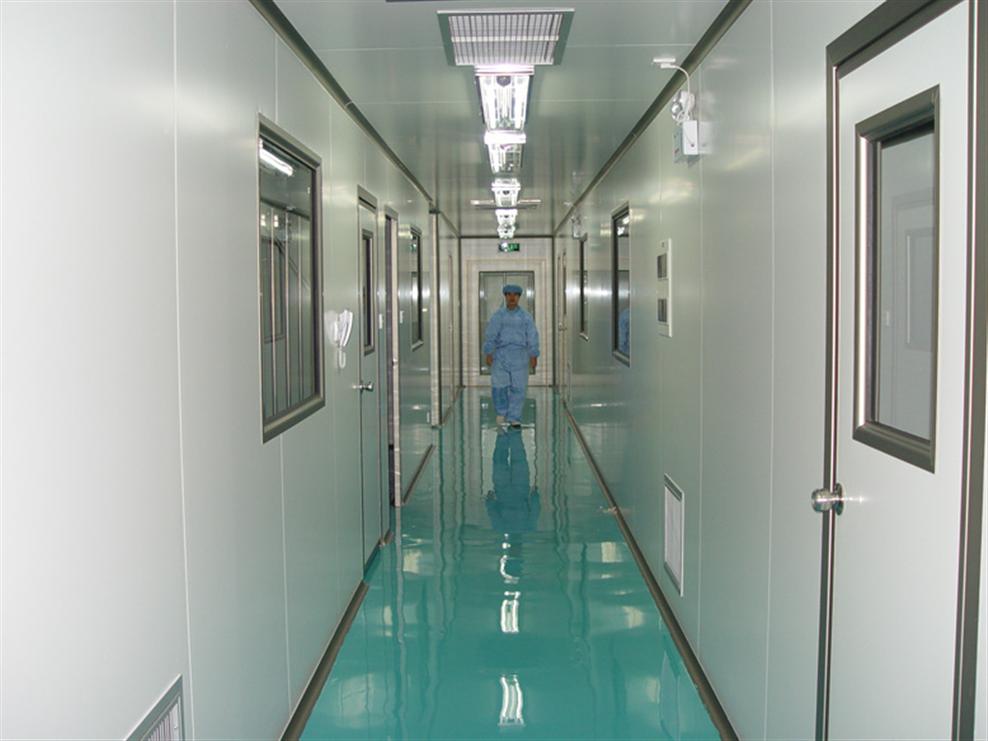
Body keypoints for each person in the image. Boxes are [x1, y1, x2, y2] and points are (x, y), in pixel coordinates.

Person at [483, 284, 539, 428]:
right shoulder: (498, 316)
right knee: (499, 387)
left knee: (519, 388)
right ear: (505, 296)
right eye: (509, 294)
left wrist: (533, 355)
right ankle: (501, 413)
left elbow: (532, 336)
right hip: (500, 356)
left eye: (515, 295)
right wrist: (489, 352)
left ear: (519, 297)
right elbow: (491, 335)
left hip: (520, 357)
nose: (512, 297)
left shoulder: (526, 317)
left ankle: (514, 417)